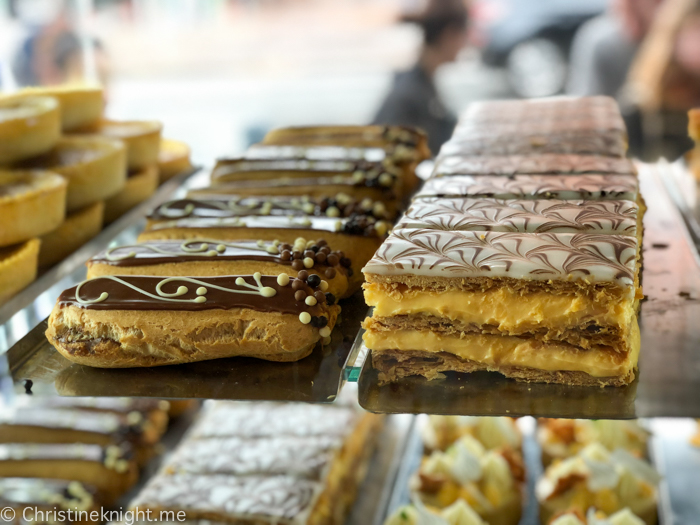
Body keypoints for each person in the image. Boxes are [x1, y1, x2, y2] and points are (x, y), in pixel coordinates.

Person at [372, 0, 468, 156]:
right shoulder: (409, 94)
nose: (465, 44)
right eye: (465, 35)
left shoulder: (424, 84)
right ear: (450, 34)